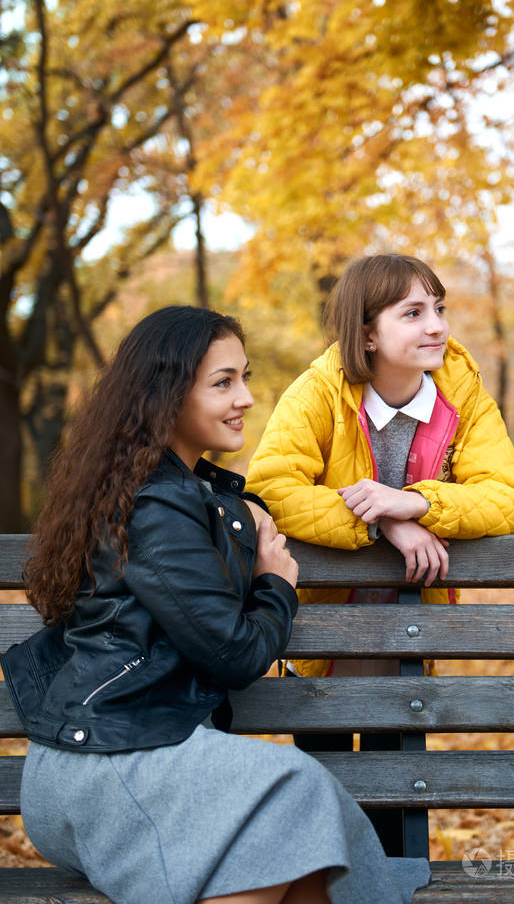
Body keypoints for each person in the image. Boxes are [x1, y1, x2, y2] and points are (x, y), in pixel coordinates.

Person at [1, 306, 430, 904]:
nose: (247, 398)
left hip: (124, 755)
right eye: (223, 382)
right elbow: (232, 652)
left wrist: (390, 517)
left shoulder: (169, 490)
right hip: (112, 767)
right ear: (168, 396)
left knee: (300, 846)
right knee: (298, 789)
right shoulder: (155, 505)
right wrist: (276, 583)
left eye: (244, 377)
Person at [246, 254, 514, 852]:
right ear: (368, 333)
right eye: (414, 313)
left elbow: (507, 498)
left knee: (394, 799)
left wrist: (416, 504)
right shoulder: (319, 392)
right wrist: (383, 524)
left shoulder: (463, 396)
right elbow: (273, 487)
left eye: (439, 309)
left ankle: (396, 881)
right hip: (320, 633)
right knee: (323, 794)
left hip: (409, 633)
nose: (437, 326)